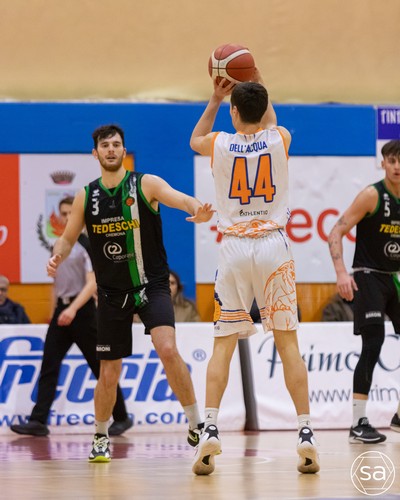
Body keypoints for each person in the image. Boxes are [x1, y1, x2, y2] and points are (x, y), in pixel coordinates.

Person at [46, 124, 214, 463]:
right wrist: (57, 256)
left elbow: (180, 197)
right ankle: (100, 435)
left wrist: (197, 208)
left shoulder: (145, 183)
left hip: (151, 284)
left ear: (124, 150)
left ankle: (197, 423)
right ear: (95, 153)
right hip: (111, 293)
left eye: (116, 144)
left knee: (167, 348)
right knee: (109, 371)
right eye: (105, 145)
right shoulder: (86, 196)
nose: (111, 149)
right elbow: (68, 237)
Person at [189, 73, 319, 475]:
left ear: (233, 112)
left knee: (223, 343)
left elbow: (195, 139)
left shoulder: (218, 143)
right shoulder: (280, 138)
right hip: (272, 247)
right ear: (264, 111)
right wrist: (257, 79)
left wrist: (215, 98)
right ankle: (305, 432)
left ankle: (210, 427)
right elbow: (269, 119)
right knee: (288, 344)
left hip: (234, 248)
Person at [10, 196, 132, 437]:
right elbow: (57, 283)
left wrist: (73, 309)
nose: (67, 218)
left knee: (100, 367)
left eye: (70, 213)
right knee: (49, 364)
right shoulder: (59, 245)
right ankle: (38, 421)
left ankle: (121, 417)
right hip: (63, 311)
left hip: (83, 312)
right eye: (63, 214)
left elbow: (92, 282)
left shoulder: (88, 244)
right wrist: (55, 310)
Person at [328, 139, 400, 443]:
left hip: (395, 278)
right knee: (374, 342)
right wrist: (341, 273)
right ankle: (358, 423)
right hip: (369, 276)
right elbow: (336, 231)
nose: (397, 167)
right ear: (383, 163)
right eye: (392, 161)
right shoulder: (372, 195)